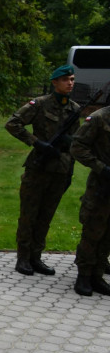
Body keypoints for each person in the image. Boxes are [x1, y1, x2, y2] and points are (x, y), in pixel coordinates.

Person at [5, 65, 80, 277]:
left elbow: (76, 144)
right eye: (65, 79)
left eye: (72, 79)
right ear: (55, 82)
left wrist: (70, 169)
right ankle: (23, 257)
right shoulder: (39, 104)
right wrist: (36, 143)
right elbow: (12, 124)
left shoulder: (74, 109)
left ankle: (36, 257)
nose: (70, 83)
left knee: (46, 215)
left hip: (60, 169)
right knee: (29, 214)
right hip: (38, 167)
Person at [70, 103, 110, 296]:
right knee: (93, 231)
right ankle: (83, 276)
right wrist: (101, 168)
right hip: (101, 185)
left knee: (108, 234)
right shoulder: (98, 118)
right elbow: (77, 146)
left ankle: (97, 275)